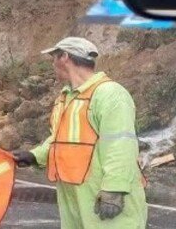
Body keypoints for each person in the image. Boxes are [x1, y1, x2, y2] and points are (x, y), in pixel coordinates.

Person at [11, 37, 147, 228]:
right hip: (75, 200)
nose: (52, 64)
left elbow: (121, 143)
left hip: (103, 197)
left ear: (64, 57)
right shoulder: (67, 97)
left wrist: (115, 189)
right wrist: (34, 156)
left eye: (54, 58)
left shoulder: (110, 94)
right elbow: (61, 139)